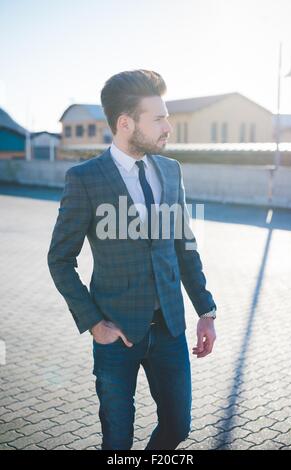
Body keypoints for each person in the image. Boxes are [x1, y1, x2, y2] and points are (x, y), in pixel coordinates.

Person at [47, 69, 217, 450]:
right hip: (116, 335)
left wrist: (206, 311)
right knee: (118, 440)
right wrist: (94, 324)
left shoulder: (171, 172)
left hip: (171, 330)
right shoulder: (85, 179)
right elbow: (59, 259)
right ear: (125, 123)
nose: (168, 127)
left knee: (178, 428)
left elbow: (185, 245)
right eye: (158, 118)